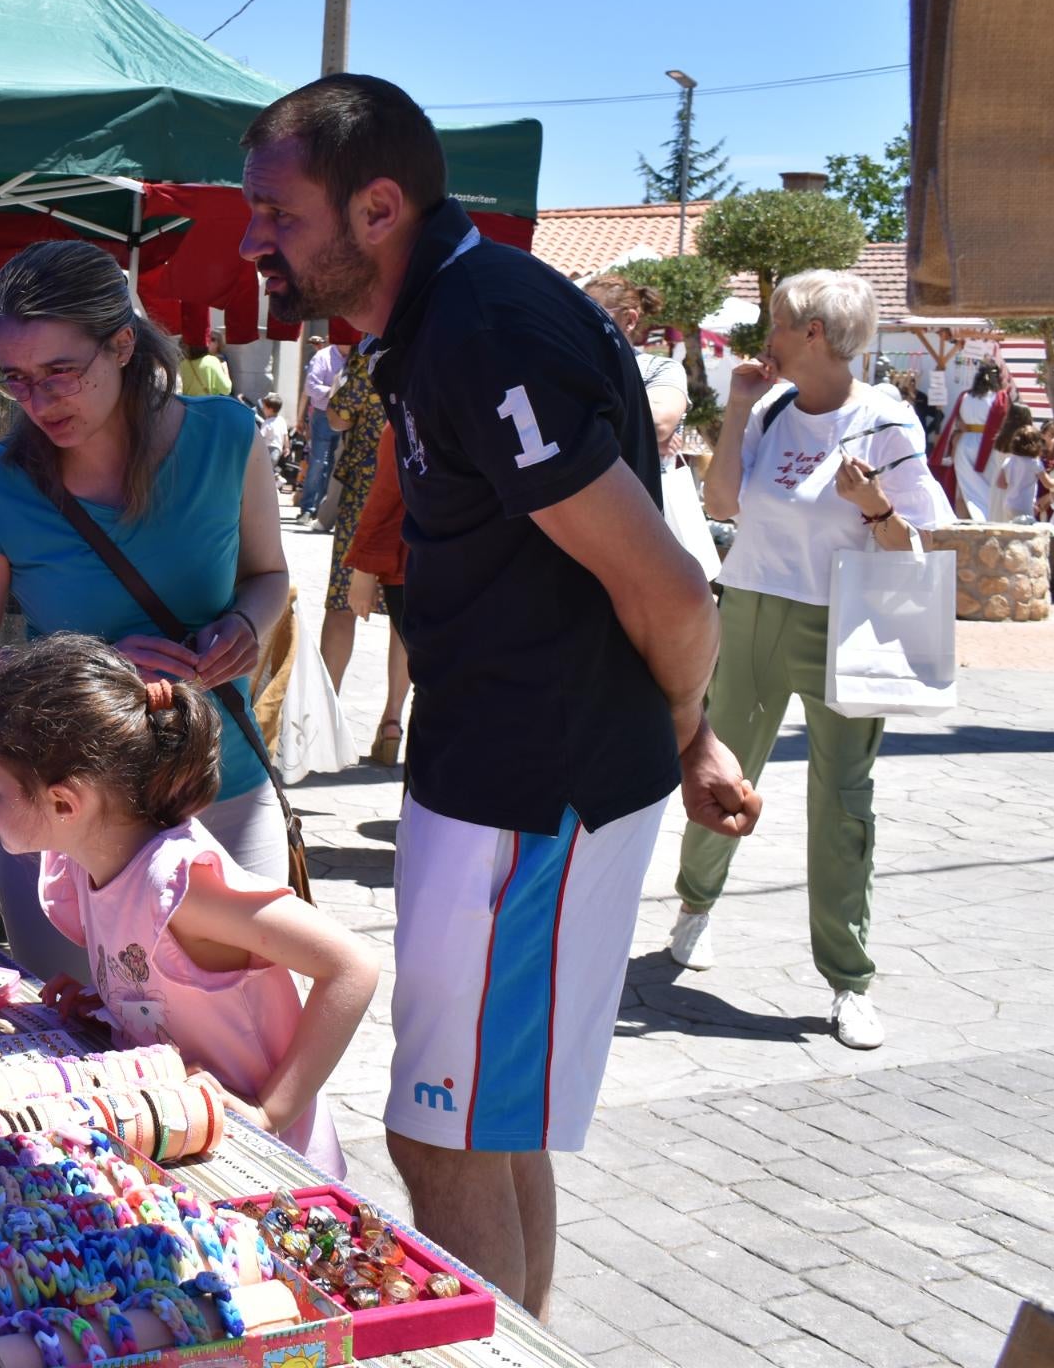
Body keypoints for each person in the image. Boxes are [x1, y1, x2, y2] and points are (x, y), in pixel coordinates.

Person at [238, 73, 755, 1318]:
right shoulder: (448, 315)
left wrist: (686, 731)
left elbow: (674, 591)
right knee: (483, 1124)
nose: (255, 237)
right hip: (508, 781)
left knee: (449, 1135)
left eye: (279, 214)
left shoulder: (485, 327)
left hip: (536, 791)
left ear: (377, 205)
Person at [0, 241, 291, 985]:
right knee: (80, 1053)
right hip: (66, 815)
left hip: (217, 792)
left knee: (241, 1050)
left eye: (61, 372)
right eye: (17, 380)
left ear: (123, 343)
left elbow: (268, 576)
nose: (37, 403)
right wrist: (93, 671)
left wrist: (250, 625)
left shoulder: (227, 436)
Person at [0, 634, 378, 1178]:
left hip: (270, 1166)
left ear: (65, 802)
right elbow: (172, 990)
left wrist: (271, 1112)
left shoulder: (180, 886)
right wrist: (106, 1002)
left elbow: (352, 966)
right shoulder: (85, 862)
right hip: (192, 1143)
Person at [672, 270, 953, 1052]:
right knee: (721, 771)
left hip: (845, 623)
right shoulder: (766, 409)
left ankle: (848, 981)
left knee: (844, 803)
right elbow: (723, 504)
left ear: (815, 335)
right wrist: (733, 408)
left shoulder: (886, 420)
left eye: (778, 322)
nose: (767, 334)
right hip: (754, 609)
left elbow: (913, 547)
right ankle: (694, 907)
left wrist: (877, 508)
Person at [585, 273, 719, 583]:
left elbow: (659, 424)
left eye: (590, 312)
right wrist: (635, 433)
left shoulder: (659, 368)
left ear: (629, 319)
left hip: (646, 515)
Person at [315, 345, 388, 692]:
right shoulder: (437, 347)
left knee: (342, 604)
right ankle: (392, 723)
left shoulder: (376, 354)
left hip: (365, 490)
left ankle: (327, 711)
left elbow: (338, 414)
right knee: (408, 616)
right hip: (420, 493)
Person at [341, 424, 411, 765]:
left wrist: (364, 565)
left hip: (413, 555)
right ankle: (392, 719)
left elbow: (387, 490)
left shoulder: (413, 402)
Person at [934, 360, 1006, 511]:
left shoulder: (965, 396)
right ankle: (986, 516)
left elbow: (958, 422)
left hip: (965, 443)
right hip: (989, 445)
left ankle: (966, 518)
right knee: (988, 486)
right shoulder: (999, 398)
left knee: (965, 489)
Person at [297, 333, 347, 522]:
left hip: (345, 418)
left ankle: (324, 511)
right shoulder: (323, 357)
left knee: (335, 466)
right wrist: (335, 391)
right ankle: (308, 508)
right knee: (318, 462)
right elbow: (310, 387)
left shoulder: (356, 357)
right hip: (324, 415)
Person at [176, 328, 233, 397]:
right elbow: (226, 389)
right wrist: (225, 369)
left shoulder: (182, 364)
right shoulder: (212, 361)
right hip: (208, 406)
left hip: (190, 406)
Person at [255, 391, 289, 465]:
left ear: (270, 409)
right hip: (277, 452)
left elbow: (260, 436)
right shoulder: (281, 420)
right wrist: (287, 447)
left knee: (262, 469)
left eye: (264, 408)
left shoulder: (267, 422)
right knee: (270, 469)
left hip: (268, 450)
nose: (263, 409)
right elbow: (285, 435)